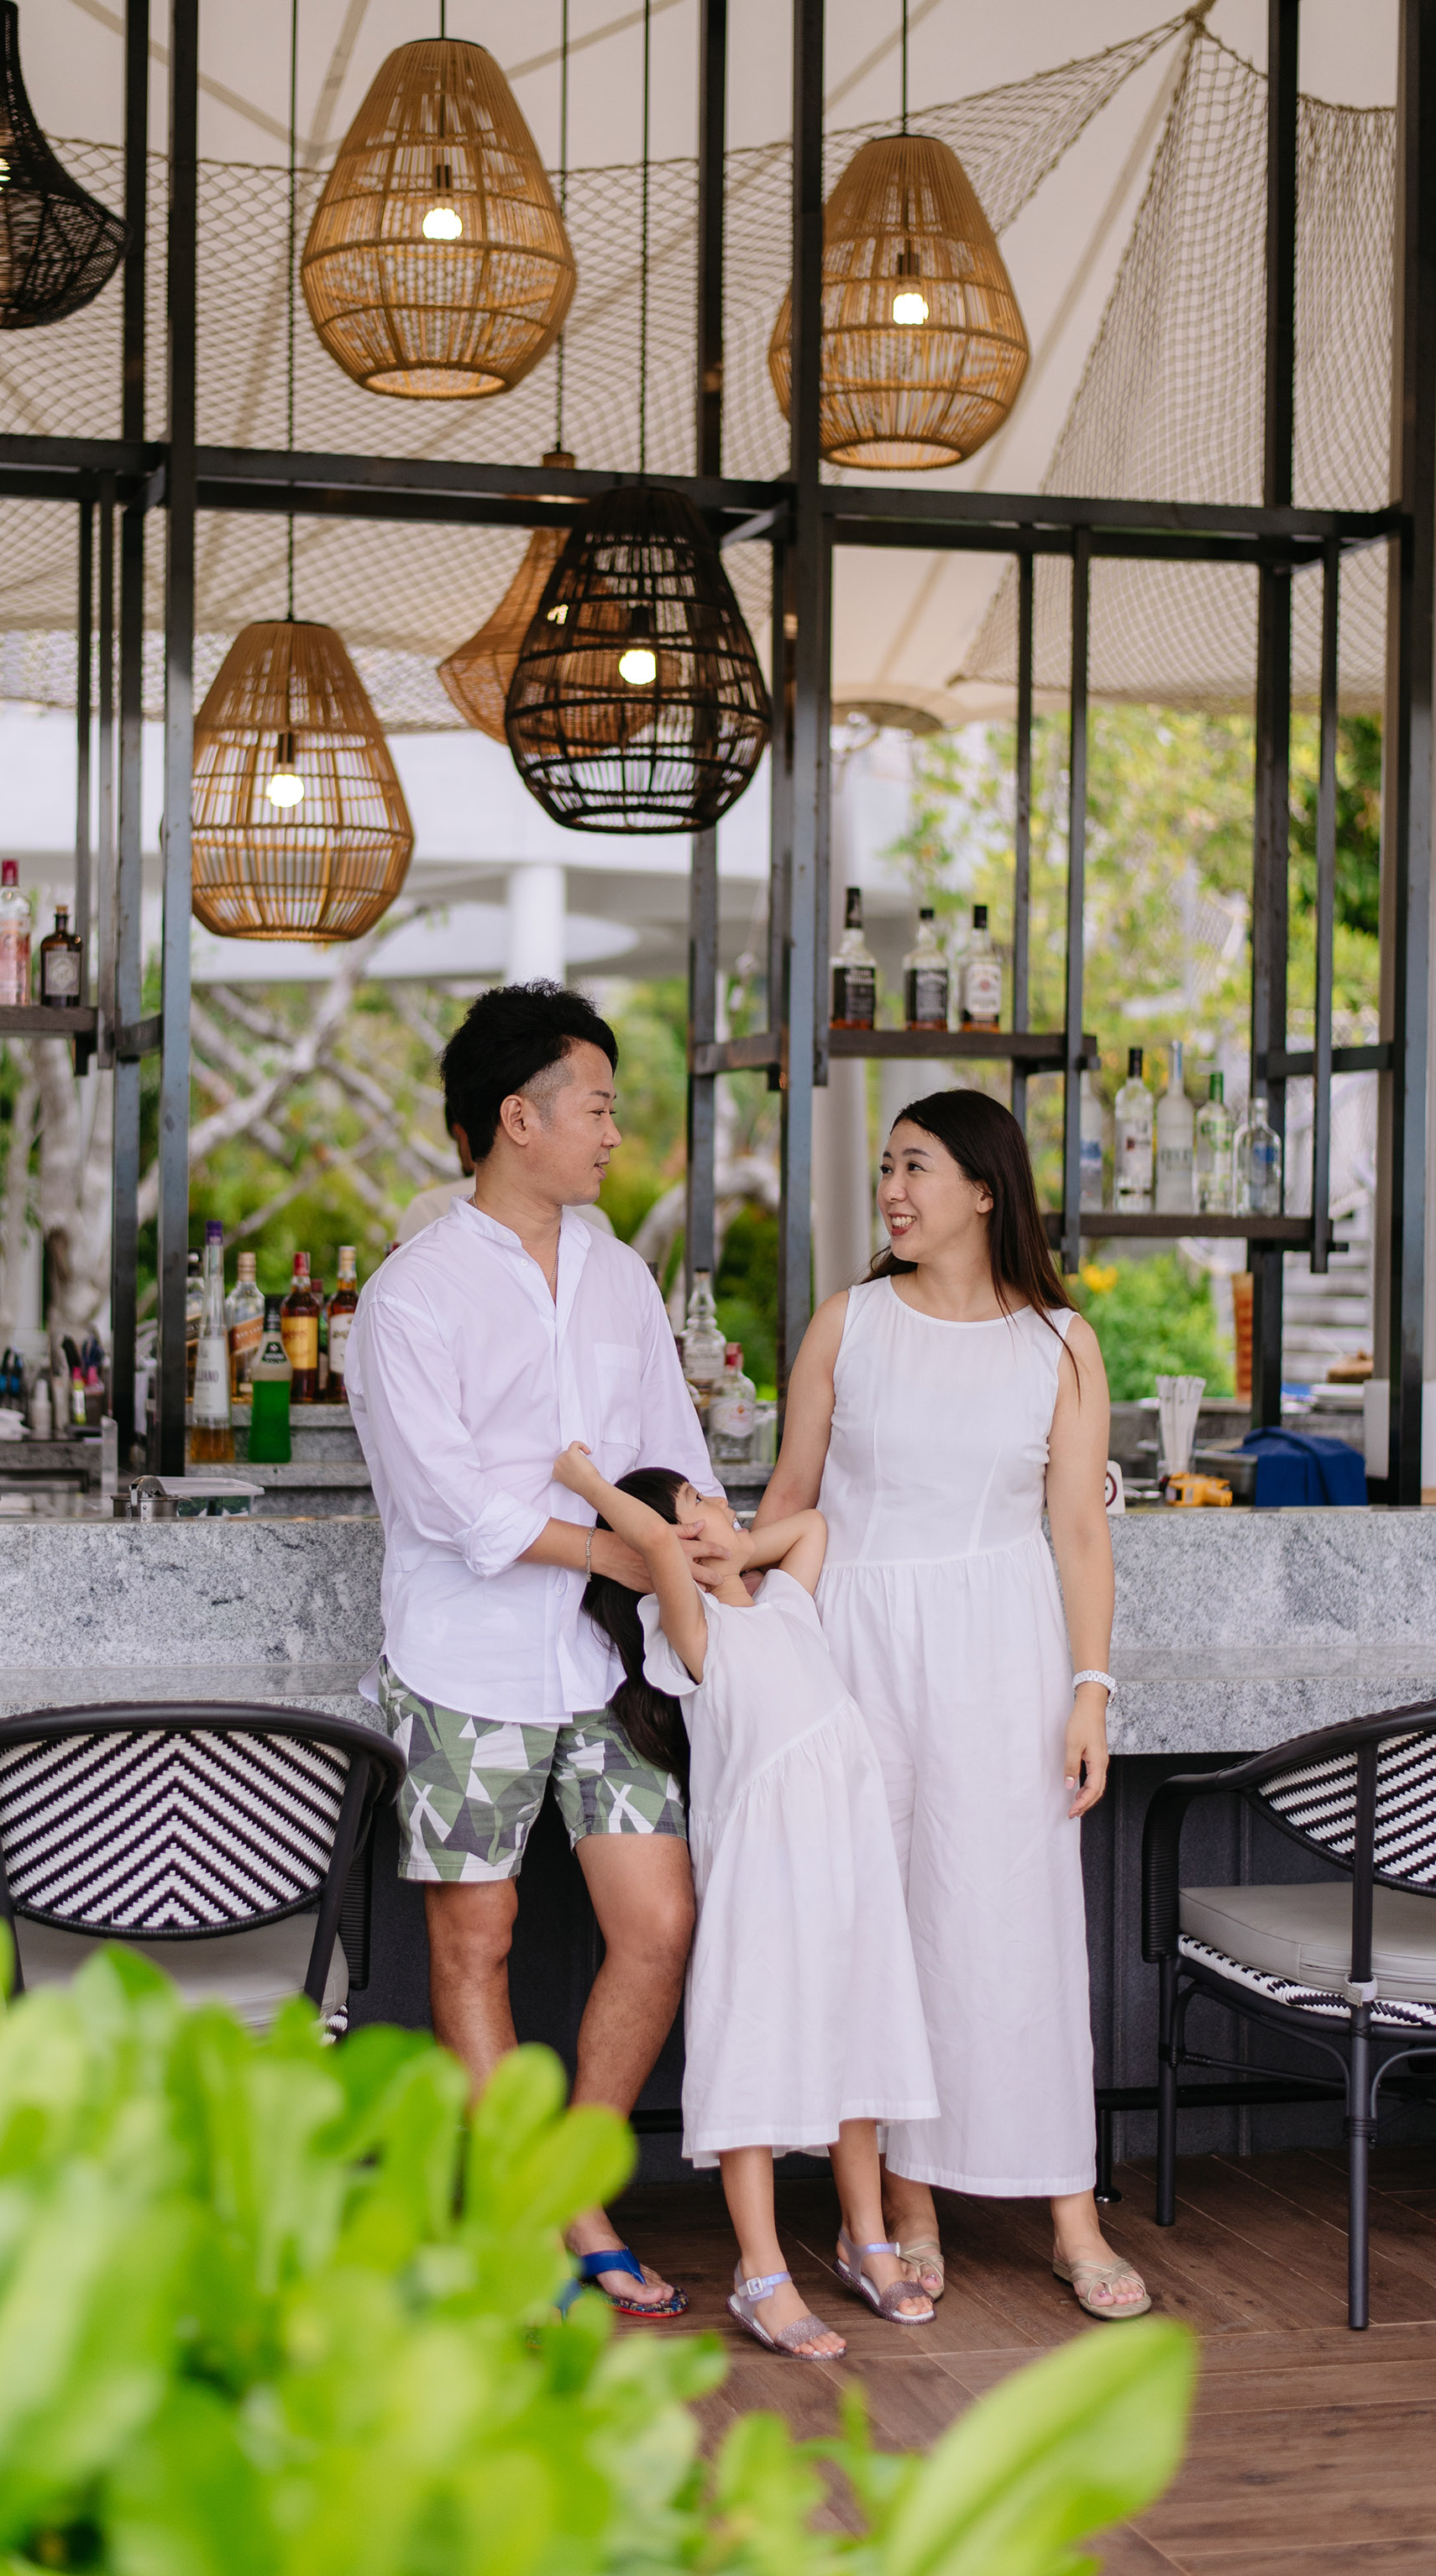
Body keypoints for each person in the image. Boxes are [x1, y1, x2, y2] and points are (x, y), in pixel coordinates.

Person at [344, 980, 718, 2317]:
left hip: (612, 1661)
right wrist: (612, 1553)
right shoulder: (412, 1295)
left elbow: (672, 1448)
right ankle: (552, 2222)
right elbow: (451, 1502)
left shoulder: (622, 1277)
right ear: (519, 1118)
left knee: (660, 1923)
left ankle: (564, 2193)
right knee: (479, 1939)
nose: (616, 1133)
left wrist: (716, 1537)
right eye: (599, 1108)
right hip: (466, 1660)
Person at [752, 1089, 1150, 2323]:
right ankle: (906, 2201)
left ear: (984, 1188)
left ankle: (1071, 2213)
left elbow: (1078, 1532)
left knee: (1012, 1923)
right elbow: (790, 1497)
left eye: (914, 1166)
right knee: (880, 1927)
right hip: (855, 1645)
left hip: (1002, 1652)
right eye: (885, 1166)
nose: (891, 1190)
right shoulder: (848, 1322)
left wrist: (1091, 1690)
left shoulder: (1059, 1343)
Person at [555, 1441, 939, 2357]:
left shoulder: (785, 1608)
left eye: (706, 1495)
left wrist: (734, 1545)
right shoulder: (687, 1637)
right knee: (756, 2054)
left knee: (856, 2042)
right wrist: (590, 1486)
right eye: (688, 1503)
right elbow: (656, 1543)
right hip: (763, 1879)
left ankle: (866, 2239)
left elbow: (810, 1527)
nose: (709, 1507)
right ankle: (761, 2272)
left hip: (845, 1867)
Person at [399, 1104, 616, 1241]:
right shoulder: (594, 1221)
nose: (614, 1138)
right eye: (598, 1112)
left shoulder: (428, 1209)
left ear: (463, 1132)